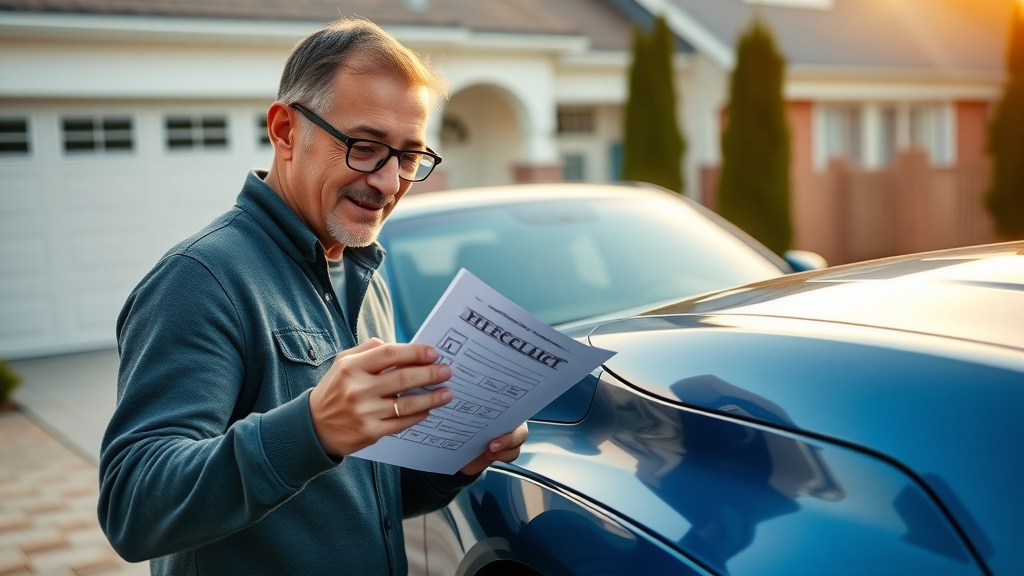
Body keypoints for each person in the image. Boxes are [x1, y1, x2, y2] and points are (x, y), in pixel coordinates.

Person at [98, 17, 528, 575]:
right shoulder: (200, 279)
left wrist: (458, 461)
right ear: (284, 133)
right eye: (365, 146)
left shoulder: (360, 272)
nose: (389, 181)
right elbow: (134, 507)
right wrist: (312, 427)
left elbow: (363, 497)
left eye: (408, 156)